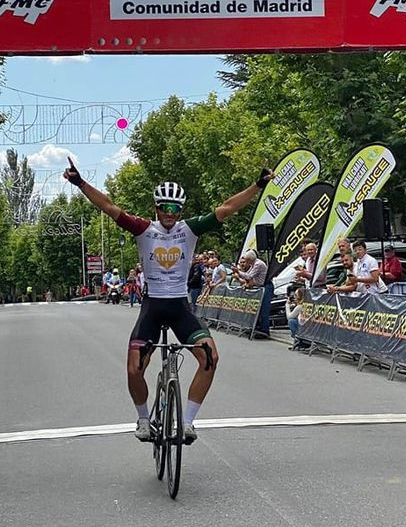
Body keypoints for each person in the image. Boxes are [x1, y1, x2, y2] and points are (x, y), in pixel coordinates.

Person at [64, 157, 271, 444]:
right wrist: (80, 183)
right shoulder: (143, 229)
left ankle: (187, 422)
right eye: (165, 208)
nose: (170, 213)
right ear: (157, 208)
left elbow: (227, 208)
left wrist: (257, 186)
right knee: (134, 367)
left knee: (211, 358)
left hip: (179, 306)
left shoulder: (190, 228)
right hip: (152, 306)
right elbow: (109, 206)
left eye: (175, 208)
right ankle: (144, 419)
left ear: (180, 210)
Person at [232, 249, 272, 337]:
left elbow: (249, 276)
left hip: (266, 286)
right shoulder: (253, 264)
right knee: (258, 308)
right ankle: (257, 327)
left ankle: (265, 330)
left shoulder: (258, 264)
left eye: (246, 261)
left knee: (264, 308)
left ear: (250, 259)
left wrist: (238, 272)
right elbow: (248, 276)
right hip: (259, 287)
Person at [286, 287, 307, 351]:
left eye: (296, 295)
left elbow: (289, 316)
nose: (294, 297)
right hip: (306, 327)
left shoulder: (299, 307)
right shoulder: (304, 305)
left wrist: (287, 306)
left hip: (304, 328)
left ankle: (298, 339)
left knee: (291, 321)